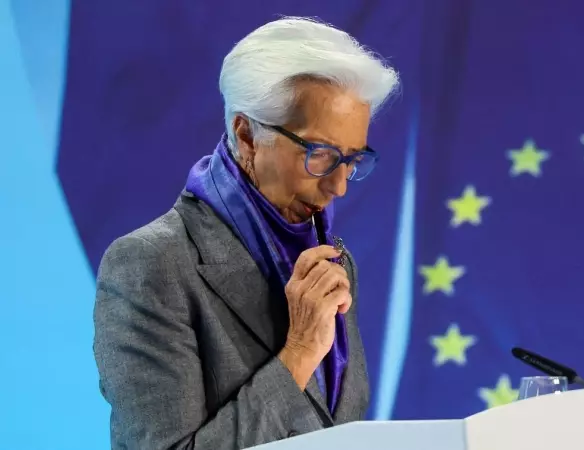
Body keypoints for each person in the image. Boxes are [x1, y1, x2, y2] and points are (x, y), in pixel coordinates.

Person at [92, 16, 399, 449]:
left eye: (352, 159)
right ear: (247, 134)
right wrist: (299, 353)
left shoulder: (330, 259)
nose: (339, 185)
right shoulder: (151, 263)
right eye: (321, 155)